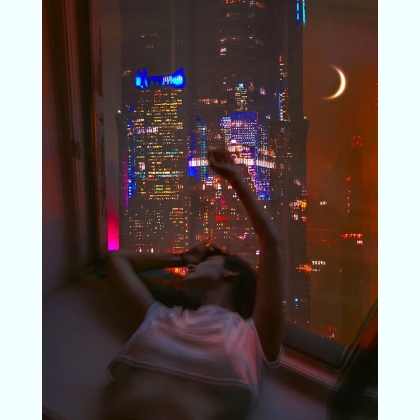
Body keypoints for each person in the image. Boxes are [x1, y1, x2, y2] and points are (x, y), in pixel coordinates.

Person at [105, 148, 284, 420]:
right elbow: (116, 260)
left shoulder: (253, 337)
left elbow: (271, 244)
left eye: (205, 261)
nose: (190, 268)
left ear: (231, 272)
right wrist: (183, 257)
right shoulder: (159, 317)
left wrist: (236, 179)